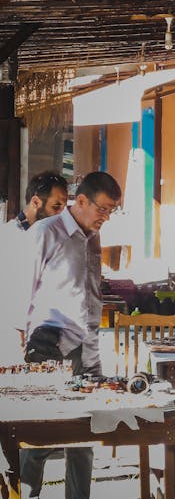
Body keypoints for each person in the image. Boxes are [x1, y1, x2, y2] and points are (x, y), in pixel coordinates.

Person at [19, 171, 122, 499]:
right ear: (81, 201)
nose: (106, 217)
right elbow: (20, 292)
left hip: (86, 346)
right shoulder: (44, 233)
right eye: (103, 209)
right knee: (41, 438)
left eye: (111, 211)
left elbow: (90, 294)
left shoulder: (93, 236)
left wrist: (93, 353)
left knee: (85, 436)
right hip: (47, 347)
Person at [0, 171, 69, 364]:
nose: (61, 214)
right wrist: (18, 332)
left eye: (64, 208)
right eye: (56, 207)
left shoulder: (51, 236)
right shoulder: (9, 237)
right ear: (36, 202)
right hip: (13, 338)